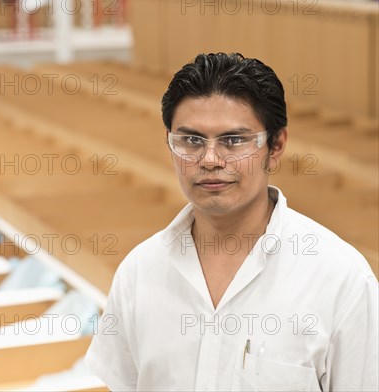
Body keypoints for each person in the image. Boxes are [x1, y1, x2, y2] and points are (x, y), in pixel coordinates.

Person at [84, 53, 378, 391]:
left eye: (233, 141)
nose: (210, 159)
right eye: (191, 140)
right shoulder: (138, 272)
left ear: (276, 144)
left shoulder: (341, 280)